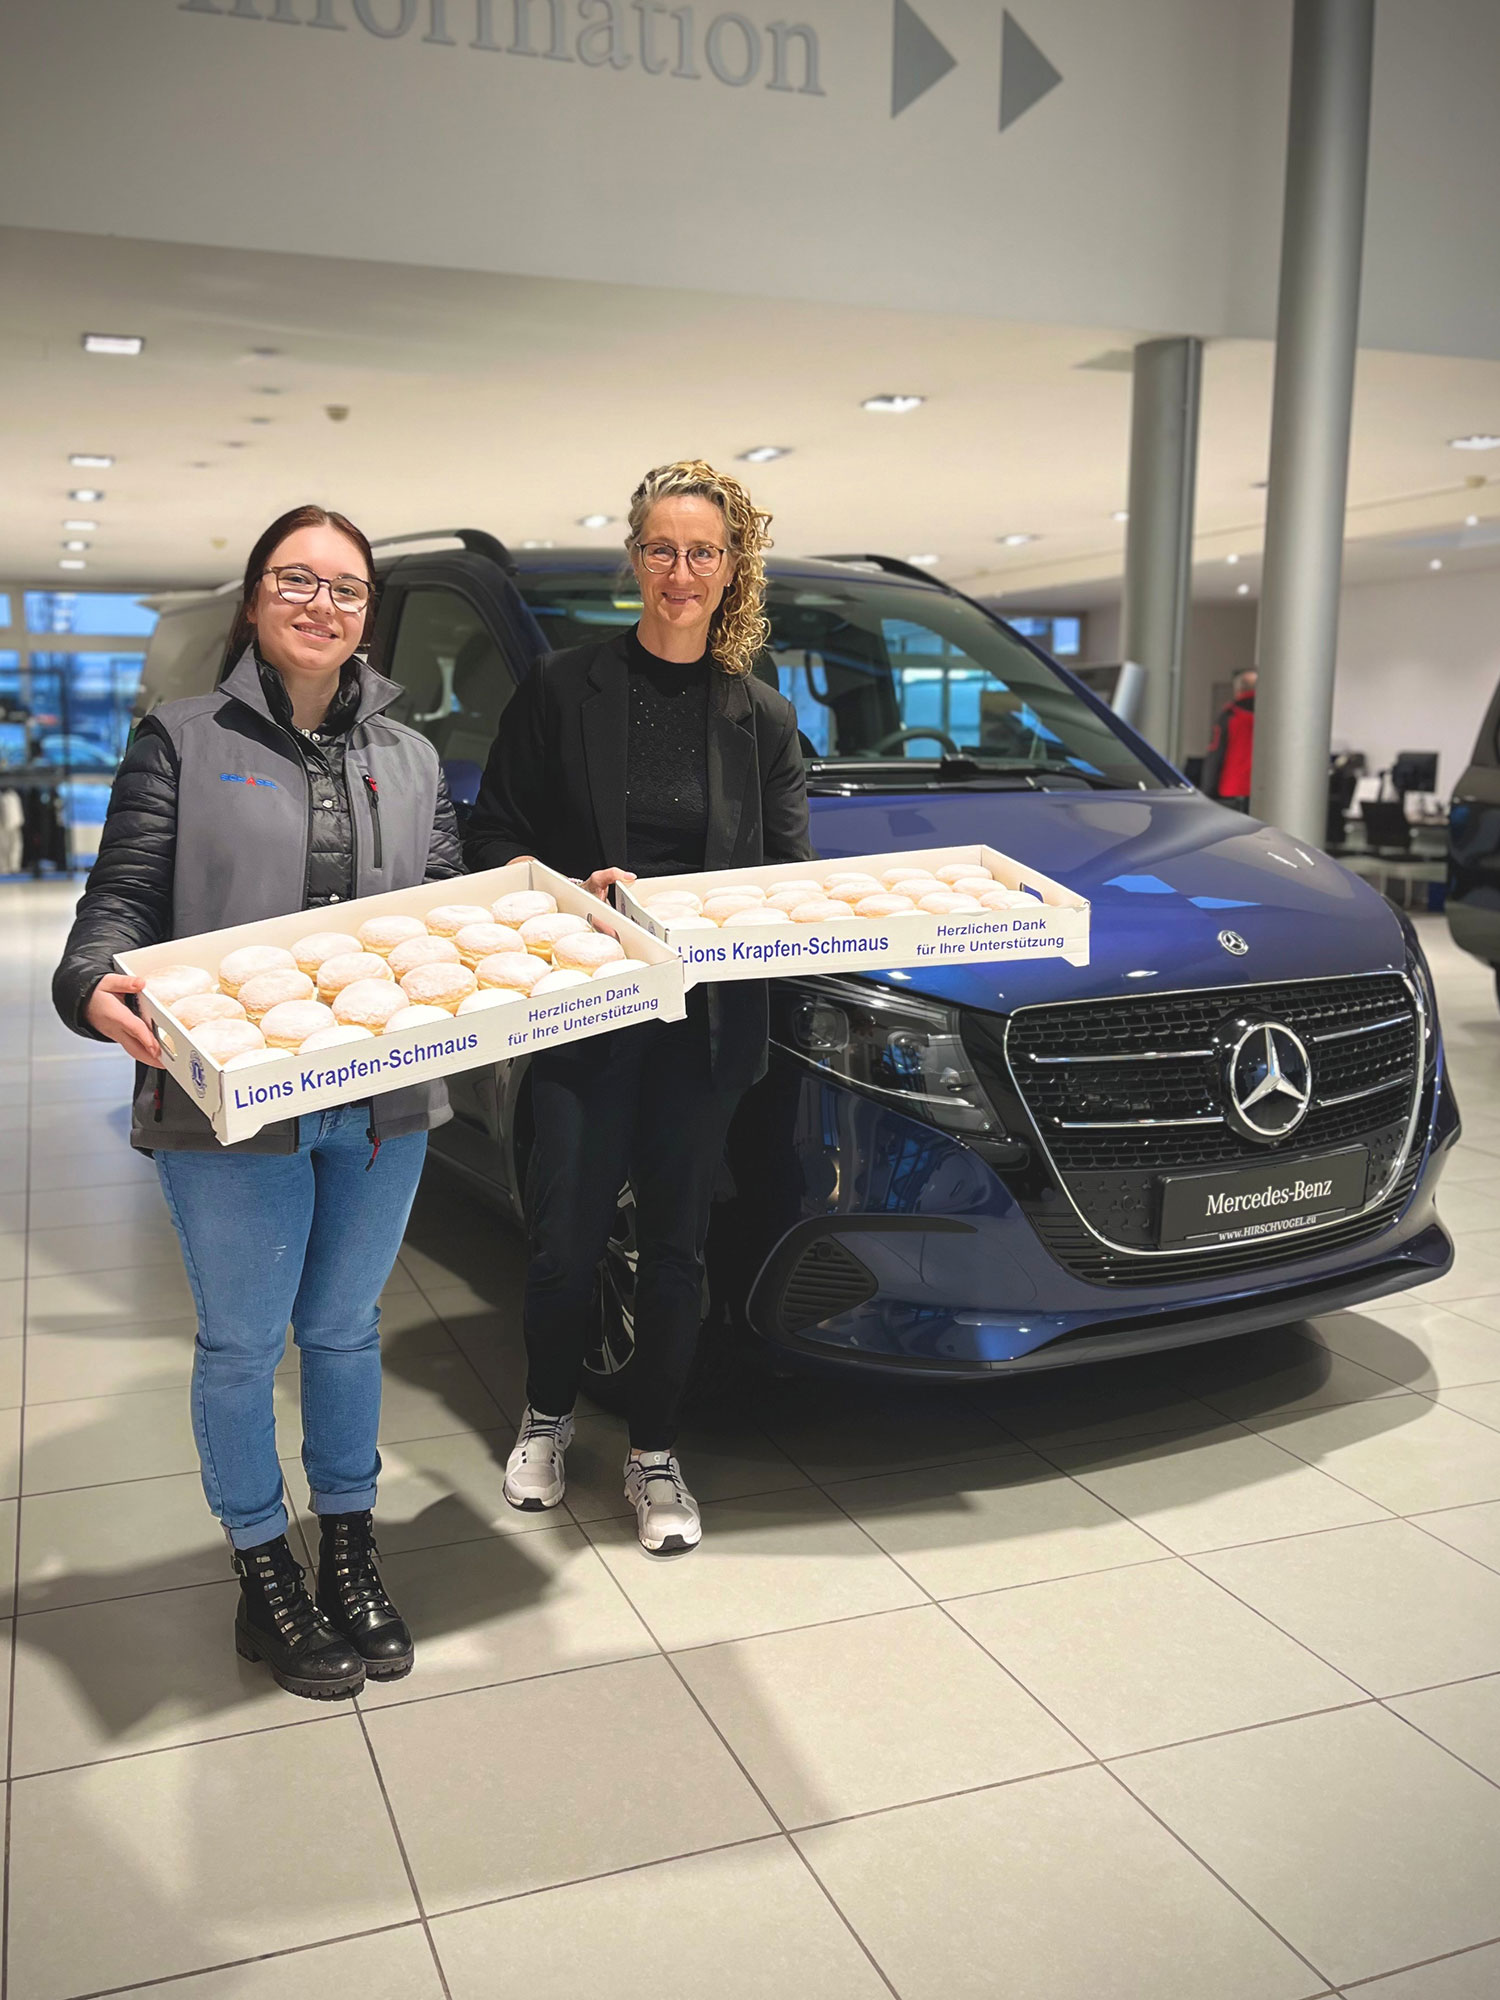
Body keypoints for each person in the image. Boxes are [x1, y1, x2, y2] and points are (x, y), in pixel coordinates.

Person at [52, 505, 464, 1699]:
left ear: (367, 613)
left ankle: (347, 1540)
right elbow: (118, 901)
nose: (320, 604)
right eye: (297, 580)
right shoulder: (179, 736)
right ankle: (260, 1565)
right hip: (227, 1100)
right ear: (253, 599)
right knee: (242, 1343)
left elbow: (448, 908)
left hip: (385, 1102)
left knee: (342, 1330)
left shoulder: (414, 753)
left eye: (345, 587)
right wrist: (91, 980)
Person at [465, 459, 811, 1555]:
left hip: (704, 1030)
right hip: (585, 1012)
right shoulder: (565, 690)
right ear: (635, 561)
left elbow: (787, 879)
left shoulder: (759, 718)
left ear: (730, 568)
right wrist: (575, 891)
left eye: (701, 552)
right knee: (567, 1241)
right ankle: (546, 1416)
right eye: (660, 549)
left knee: (675, 1250)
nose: (679, 571)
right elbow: (491, 837)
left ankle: (656, 1452)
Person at [1203, 667, 1257, 810]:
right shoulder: (1274, 717)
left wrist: (1207, 792)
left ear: (1238, 689)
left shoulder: (1230, 715)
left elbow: (1216, 753)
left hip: (1232, 790)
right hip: (1262, 790)